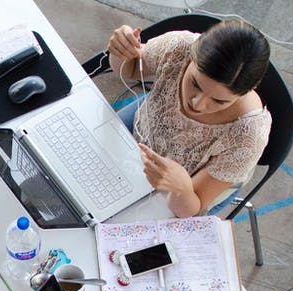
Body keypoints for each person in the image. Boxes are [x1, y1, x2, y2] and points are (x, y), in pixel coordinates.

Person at [106, 19, 272, 218]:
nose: (197, 103)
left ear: (248, 91)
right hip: (141, 129)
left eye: (219, 101)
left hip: (187, 189)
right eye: (195, 83)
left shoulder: (248, 136)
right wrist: (120, 52)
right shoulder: (178, 48)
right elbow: (131, 69)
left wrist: (180, 188)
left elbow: (190, 208)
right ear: (191, 55)